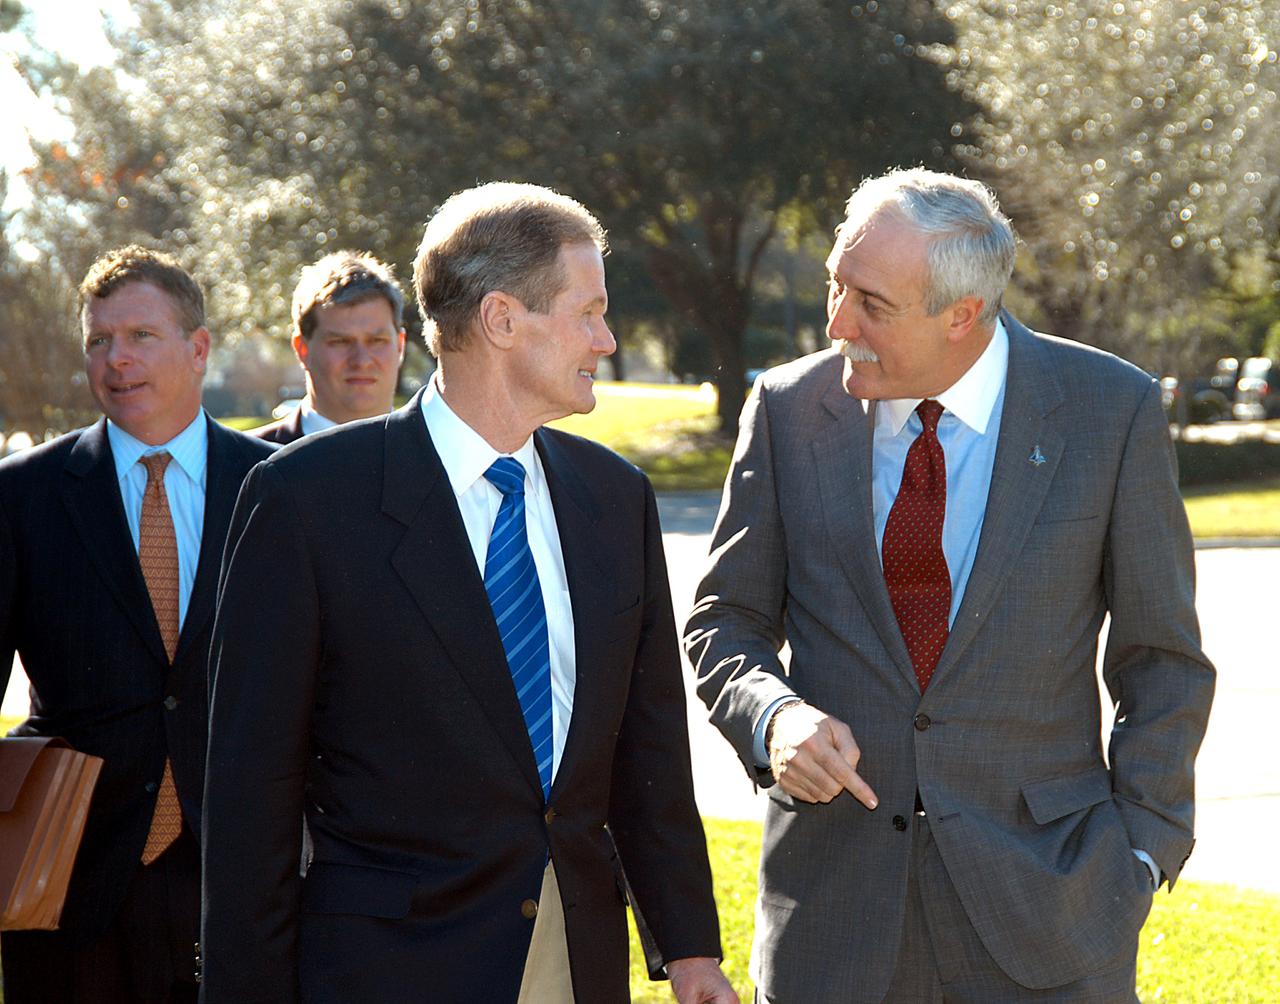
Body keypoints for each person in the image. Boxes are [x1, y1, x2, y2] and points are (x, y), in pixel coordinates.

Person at [683, 168, 1215, 1003]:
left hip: (1053, 916)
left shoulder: (1110, 410)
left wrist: (1142, 853)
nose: (836, 323)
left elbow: (1163, 661)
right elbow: (726, 619)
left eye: (871, 304)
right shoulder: (787, 410)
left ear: (962, 315)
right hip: (834, 922)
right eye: (835, 285)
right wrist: (774, 715)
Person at [202, 182, 736, 1003]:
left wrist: (692, 947)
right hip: (386, 971)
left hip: (574, 957)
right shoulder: (307, 500)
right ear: (501, 320)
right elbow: (251, 792)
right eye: (588, 312)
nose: (608, 336)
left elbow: (648, 747)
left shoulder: (613, 497)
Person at [0, 246, 274, 1003]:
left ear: (199, 348)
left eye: (140, 337)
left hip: (241, 866)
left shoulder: (279, 487)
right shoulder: (23, 496)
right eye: (98, 341)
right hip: (69, 876)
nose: (116, 360)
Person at [251, 250, 407, 444]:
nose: (362, 361)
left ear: (400, 345)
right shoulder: (246, 464)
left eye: (377, 341)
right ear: (301, 349)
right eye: (340, 342)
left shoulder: (443, 457)